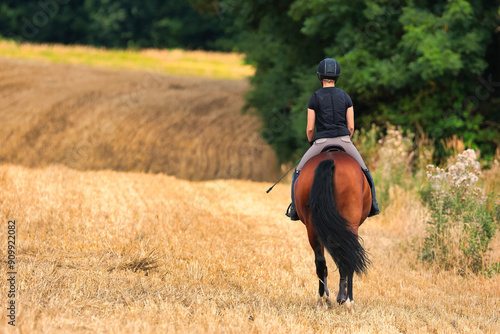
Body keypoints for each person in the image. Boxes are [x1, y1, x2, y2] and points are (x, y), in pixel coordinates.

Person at [286, 58, 380, 220]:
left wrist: (312, 142)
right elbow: (351, 126)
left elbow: (310, 128)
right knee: (365, 171)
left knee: (298, 172)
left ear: (319, 76)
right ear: (337, 77)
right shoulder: (345, 97)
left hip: (321, 142)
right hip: (344, 140)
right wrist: (345, 140)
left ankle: (295, 209)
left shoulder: (314, 98)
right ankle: (373, 205)